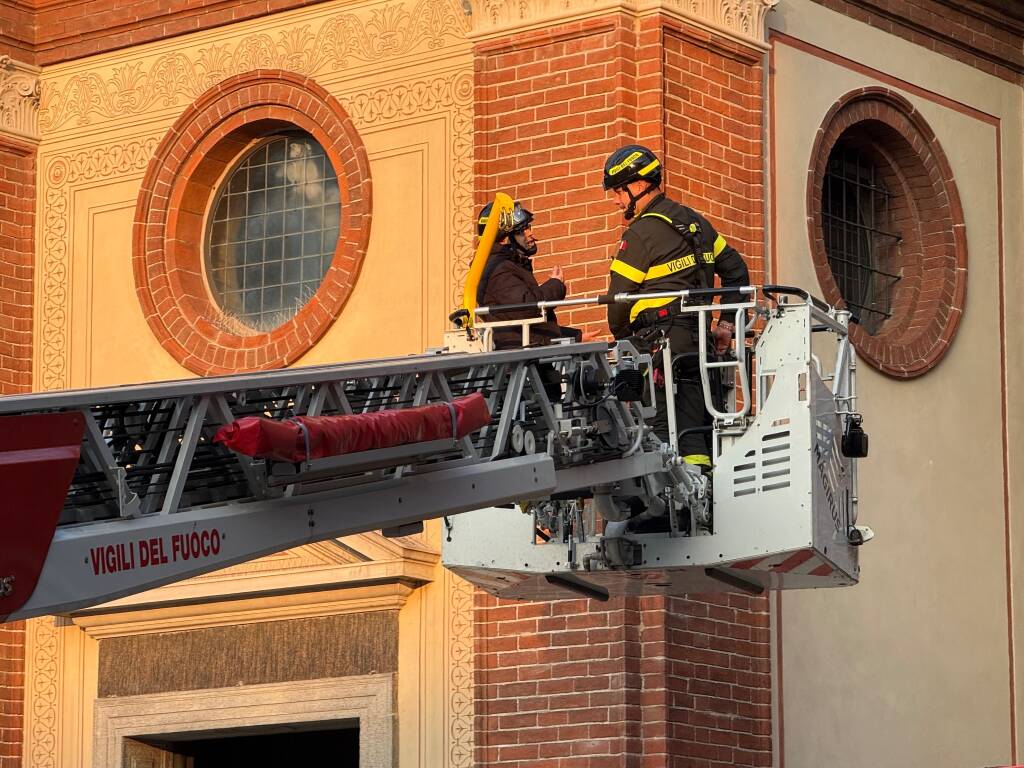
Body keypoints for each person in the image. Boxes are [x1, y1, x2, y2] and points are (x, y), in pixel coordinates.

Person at [602, 144, 750, 469]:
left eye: (617, 191)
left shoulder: (641, 234)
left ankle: (672, 511)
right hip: (701, 345)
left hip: (660, 347)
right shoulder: (698, 224)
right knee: (695, 428)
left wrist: (626, 338)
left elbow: (618, 303)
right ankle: (705, 494)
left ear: (638, 185)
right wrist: (725, 326)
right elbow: (737, 270)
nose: (616, 200)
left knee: (658, 430)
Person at [476, 200, 582, 350]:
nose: (530, 233)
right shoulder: (497, 270)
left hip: (531, 353)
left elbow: (527, 326)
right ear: (506, 238)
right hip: (524, 361)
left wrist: (576, 336)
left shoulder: (506, 265)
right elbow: (526, 308)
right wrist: (555, 285)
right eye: (522, 230)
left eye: (528, 227)